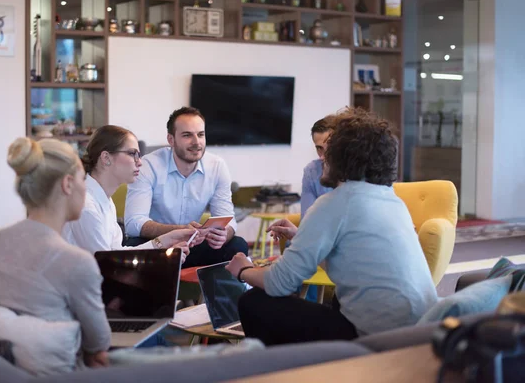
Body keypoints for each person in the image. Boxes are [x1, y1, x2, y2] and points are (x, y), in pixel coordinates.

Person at [225, 109, 438, 346]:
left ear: (343, 157)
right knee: (337, 299)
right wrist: (301, 237)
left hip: (377, 339)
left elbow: (280, 283)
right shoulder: (392, 199)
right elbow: (354, 261)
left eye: (329, 150)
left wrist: (243, 270)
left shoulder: (335, 202)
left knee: (254, 301)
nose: (322, 158)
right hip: (421, 333)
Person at [0, 137, 112, 373]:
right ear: (67, 184)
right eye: (82, 178)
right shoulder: (76, 261)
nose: (85, 187)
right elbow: (99, 345)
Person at [124, 107, 248, 268]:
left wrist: (224, 234)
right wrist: (179, 231)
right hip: (160, 245)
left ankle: (216, 293)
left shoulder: (217, 166)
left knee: (237, 246)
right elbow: (133, 224)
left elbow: (228, 219)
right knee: (133, 246)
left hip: (193, 245)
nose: (196, 142)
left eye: (201, 135)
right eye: (187, 135)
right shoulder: (148, 165)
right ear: (171, 139)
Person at [62, 125, 196, 259]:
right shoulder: (87, 206)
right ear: (106, 158)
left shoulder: (105, 200)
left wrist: (164, 241)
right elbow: (107, 265)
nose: (139, 163)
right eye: (132, 154)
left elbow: (116, 252)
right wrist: (162, 257)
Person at [300, 115, 338, 219]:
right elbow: (306, 219)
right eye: (319, 148)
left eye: (329, 148)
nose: (323, 156)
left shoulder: (358, 170)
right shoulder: (312, 171)